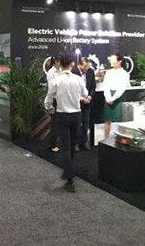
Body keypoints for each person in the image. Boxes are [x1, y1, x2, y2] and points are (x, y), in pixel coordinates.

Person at [44, 54, 90, 193]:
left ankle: (69, 179)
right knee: (71, 146)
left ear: (60, 64)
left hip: (62, 116)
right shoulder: (78, 79)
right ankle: (69, 173)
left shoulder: (56, 80)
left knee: (65, 147)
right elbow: (85, 93)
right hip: (76, 116)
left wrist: (49, 108)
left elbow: (49, 97)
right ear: (72, 64)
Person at [102, 55, 131, 139]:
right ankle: (106, 139)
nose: (110, 61)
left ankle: (122, 140)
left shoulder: (125, 74)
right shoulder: (109, 72)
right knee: (107, 120)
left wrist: (113, 98)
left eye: (112, 59)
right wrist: (107, 97)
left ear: (119, 61)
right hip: (108, 96)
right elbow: (105, 85)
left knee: (122, 120)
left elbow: (122, 88)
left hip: (119, 97)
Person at [72, 57, 95, 151]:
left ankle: (84, 142)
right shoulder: (73, 72)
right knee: (77, 124)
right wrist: (81, 99)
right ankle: (75, 143)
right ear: (79, 65)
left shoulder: (90, 72)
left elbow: (93, 86)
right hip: (76, 103)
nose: (87, 68)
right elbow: (72, 89)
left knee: (86, 123)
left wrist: (89, 97)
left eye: (88, 66)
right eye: (85, 66)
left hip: (87, 102)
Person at [45, 56, 61, 153]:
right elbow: (51, 89)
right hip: (55, 100)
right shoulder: (51, 72)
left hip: (63, 100)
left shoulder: (61, 71)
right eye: (59, 62)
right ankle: (53, 144)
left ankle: (60, 143)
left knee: (61, 123)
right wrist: (49, 105)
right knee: (55, 124)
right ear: (55, 62)